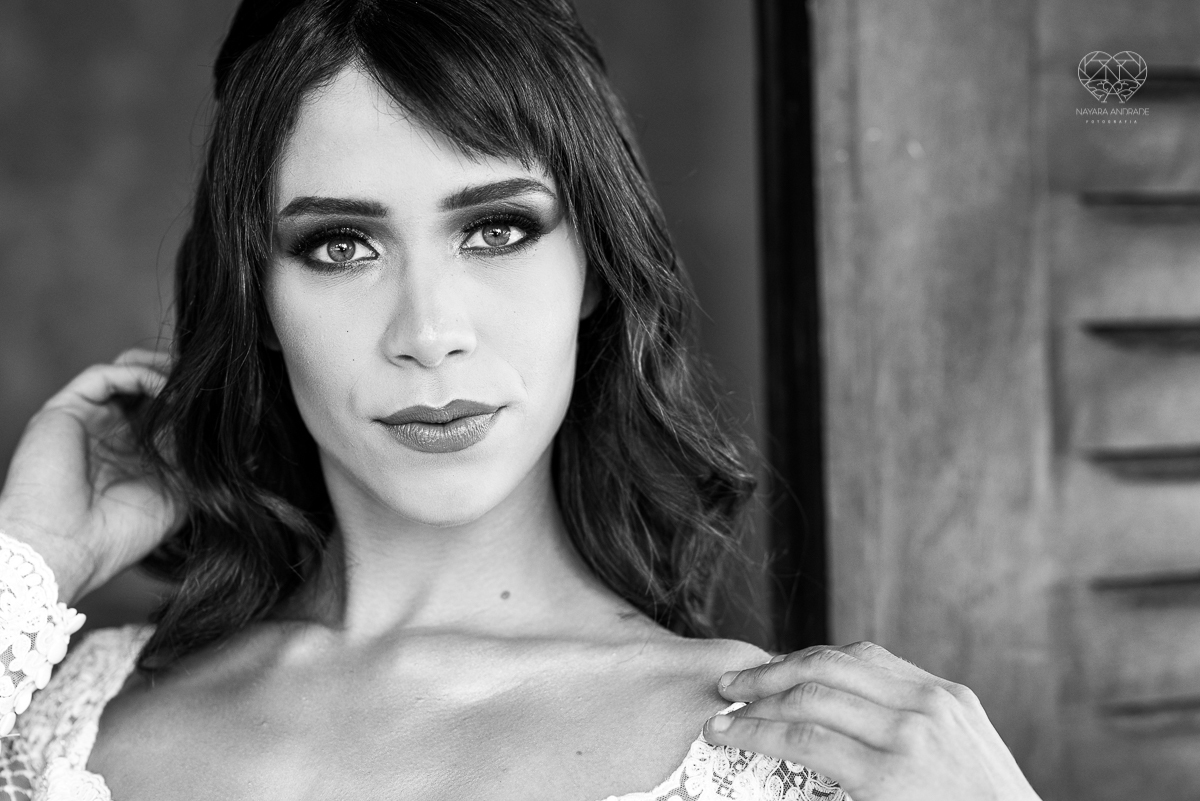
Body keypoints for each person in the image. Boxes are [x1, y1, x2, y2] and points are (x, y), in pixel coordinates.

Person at [0, 1, 1043, 799]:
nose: (427, 331)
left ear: (594, 266)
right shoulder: (72, 715)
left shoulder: (799, 759)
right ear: (257, 298)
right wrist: (31, 557)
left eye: (496, 229)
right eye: (341, 245)